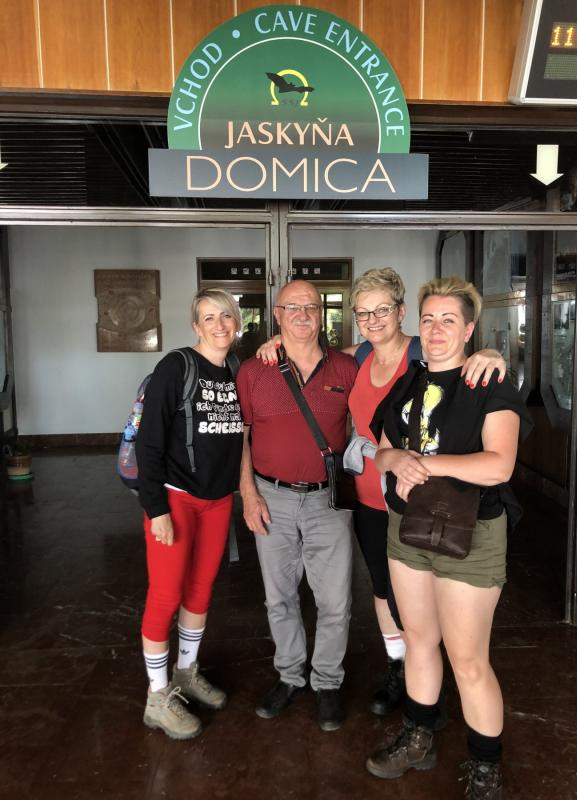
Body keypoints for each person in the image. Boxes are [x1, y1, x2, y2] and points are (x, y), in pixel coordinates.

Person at [257, 268, 505, 717]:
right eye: (363, 312)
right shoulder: (358, 357)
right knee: (383, 588)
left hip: (425, 501)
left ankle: (431, 679)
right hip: (369, 498)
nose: (372, 320)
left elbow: (463, 363)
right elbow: (309, 351)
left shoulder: (423, 352)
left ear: (401, 311)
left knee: (428, 602)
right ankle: (399, 668)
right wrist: (279, 340)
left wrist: (490, 353)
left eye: (382, 310)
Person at [365, 277, 531, 799]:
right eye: (429, 320)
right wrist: (396, 459)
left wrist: (424, 465)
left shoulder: (490, 383)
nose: (436, 330)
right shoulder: (408, 381)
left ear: (469, 329)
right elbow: (382, 450)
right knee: (418, 639)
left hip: (471, 532)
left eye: (449, 320)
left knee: (468, 658)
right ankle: (419, 736)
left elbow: (499, 465)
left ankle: (485, 766)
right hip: (407, 528)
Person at [236, 280, 358, 731]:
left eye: (311, 306)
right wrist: (248, 494)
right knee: (280, 598)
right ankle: (290, 676)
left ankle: (327, 681)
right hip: (272, 498)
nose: (303, 314)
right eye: (293, 307)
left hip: (329, 500)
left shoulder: (346, 367)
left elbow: (393, 356)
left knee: (335, 601)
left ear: (321, 313)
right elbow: (242, 436)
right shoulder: (254, 370)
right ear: (277, 314)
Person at [136, 288, 244, 740]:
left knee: (200, 591)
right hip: (176, 498)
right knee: (165, 596)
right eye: (208, 317)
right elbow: (149, 441)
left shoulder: (237, 370)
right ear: (196, 326)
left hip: (218, 501)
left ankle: (185, 671)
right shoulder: (176, 367)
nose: (219, 324)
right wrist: (156, 508)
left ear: (237, 323)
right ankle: (157, 696)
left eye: (226, 316)